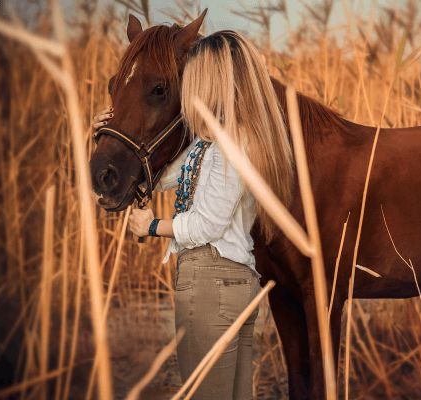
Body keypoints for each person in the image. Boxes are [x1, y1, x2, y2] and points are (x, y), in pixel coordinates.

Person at [92, 31, 295, 400]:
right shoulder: (210, 144)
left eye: (196, 75)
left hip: (210, 282)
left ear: (213, 79)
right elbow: (161, 175)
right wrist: (108, 136)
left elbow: (208, 225)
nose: (189, 86)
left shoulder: (230, 146)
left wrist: (152, 226)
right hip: (226, 285)